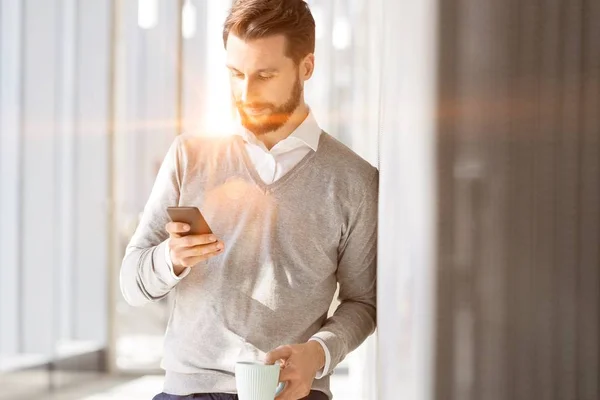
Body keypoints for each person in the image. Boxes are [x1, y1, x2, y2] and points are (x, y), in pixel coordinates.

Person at [120, 0, 378, 399]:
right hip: (188, 391)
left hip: (293, 393)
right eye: (236, 74)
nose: (246, 92)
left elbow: (363, 302)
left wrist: (319, 353)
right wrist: (170, 257)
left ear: (306, 67)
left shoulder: (354, 181)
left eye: (264, 75)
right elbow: (132, 283)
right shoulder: (189, 157)